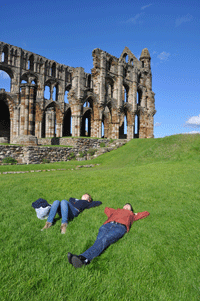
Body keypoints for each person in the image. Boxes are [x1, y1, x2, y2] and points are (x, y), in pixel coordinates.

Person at [68, 203, 150, 268]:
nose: (126, 206)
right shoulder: (116, 211)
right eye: (125, 205)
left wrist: (134, 213)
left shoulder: (132, 215)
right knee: (99, 240)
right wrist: (116, 211)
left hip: (120, 227)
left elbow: (146, 213)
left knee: (105, 239)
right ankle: (83, 259)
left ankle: (83, 258)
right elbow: (106, 209)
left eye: (128, 206)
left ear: (131, 209)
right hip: (106, 225)